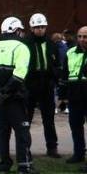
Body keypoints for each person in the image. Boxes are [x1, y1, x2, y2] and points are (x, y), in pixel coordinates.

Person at [0, 17, 36, 174]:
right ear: (16, 30)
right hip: (16, 97)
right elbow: (19, 74)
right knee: (22, 132)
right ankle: (24, 165)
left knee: (2, 133)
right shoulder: (21, 47)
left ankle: (4, 165)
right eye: (21, 30)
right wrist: (7, 91)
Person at [59, 26, 87, 172]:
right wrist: (62, 97)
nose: (82, 40)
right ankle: (78, 153)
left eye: (85, 37)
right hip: (75, 96)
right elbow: (65, 75)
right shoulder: (70, 52)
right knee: (75, 126)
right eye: (79, 36)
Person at [23, 13, 61, 157]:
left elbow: (56, 62)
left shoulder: (51, 44)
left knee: (49, 118)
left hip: (46, 82)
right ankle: (25, 146)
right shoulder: (26, 44)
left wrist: (54, 77)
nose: (40, 30)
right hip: (31, 82)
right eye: (37, 27)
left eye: (42, 27)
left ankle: (52, 147)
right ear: (32, 28)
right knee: (27, 117)